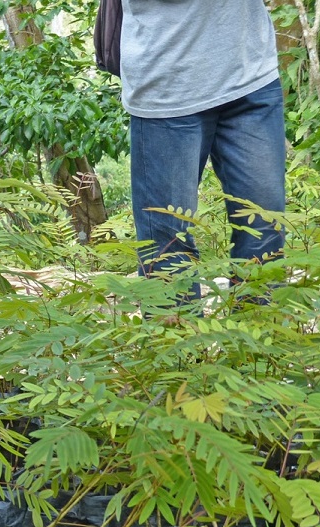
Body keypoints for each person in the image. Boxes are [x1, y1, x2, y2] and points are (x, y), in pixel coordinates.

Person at [120, 0, 286, 302]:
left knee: (265, 227)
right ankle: (177, 334)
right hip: (166, 89)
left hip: (251, 72)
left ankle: (260, 332)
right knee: (167, 244)